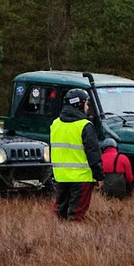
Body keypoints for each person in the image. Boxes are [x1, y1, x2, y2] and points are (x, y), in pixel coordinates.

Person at [48, 89, 104, 222]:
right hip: (82, 177)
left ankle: (54, 238)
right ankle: (73, 241)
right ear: (79, 105)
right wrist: (99, 176)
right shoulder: (85, 125)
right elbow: (93, 154)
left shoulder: (55, 124)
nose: (87, 107)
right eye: (86, 104)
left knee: (60, 213)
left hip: (61, 176)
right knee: (76, 215)